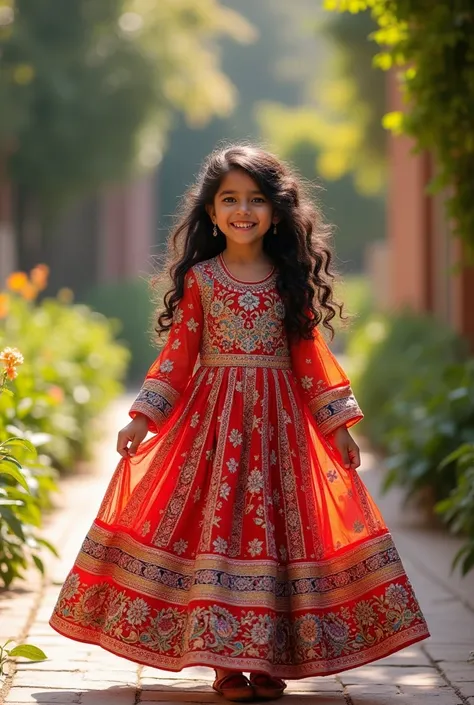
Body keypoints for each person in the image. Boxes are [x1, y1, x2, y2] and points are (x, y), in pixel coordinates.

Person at [50, 144, 429, 702]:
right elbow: (178, 355)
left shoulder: (289, 280)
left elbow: (309, 358)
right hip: (211, 430)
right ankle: (224, 662)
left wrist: (338, 426)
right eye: (229, 199)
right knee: (216, 532)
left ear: (277, 211)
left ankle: (269, 655)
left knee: (276, 534)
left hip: (281, 432)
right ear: (210, 211)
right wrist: (143, 417)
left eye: (255, 199)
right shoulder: (202, 280)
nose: (242, 210)